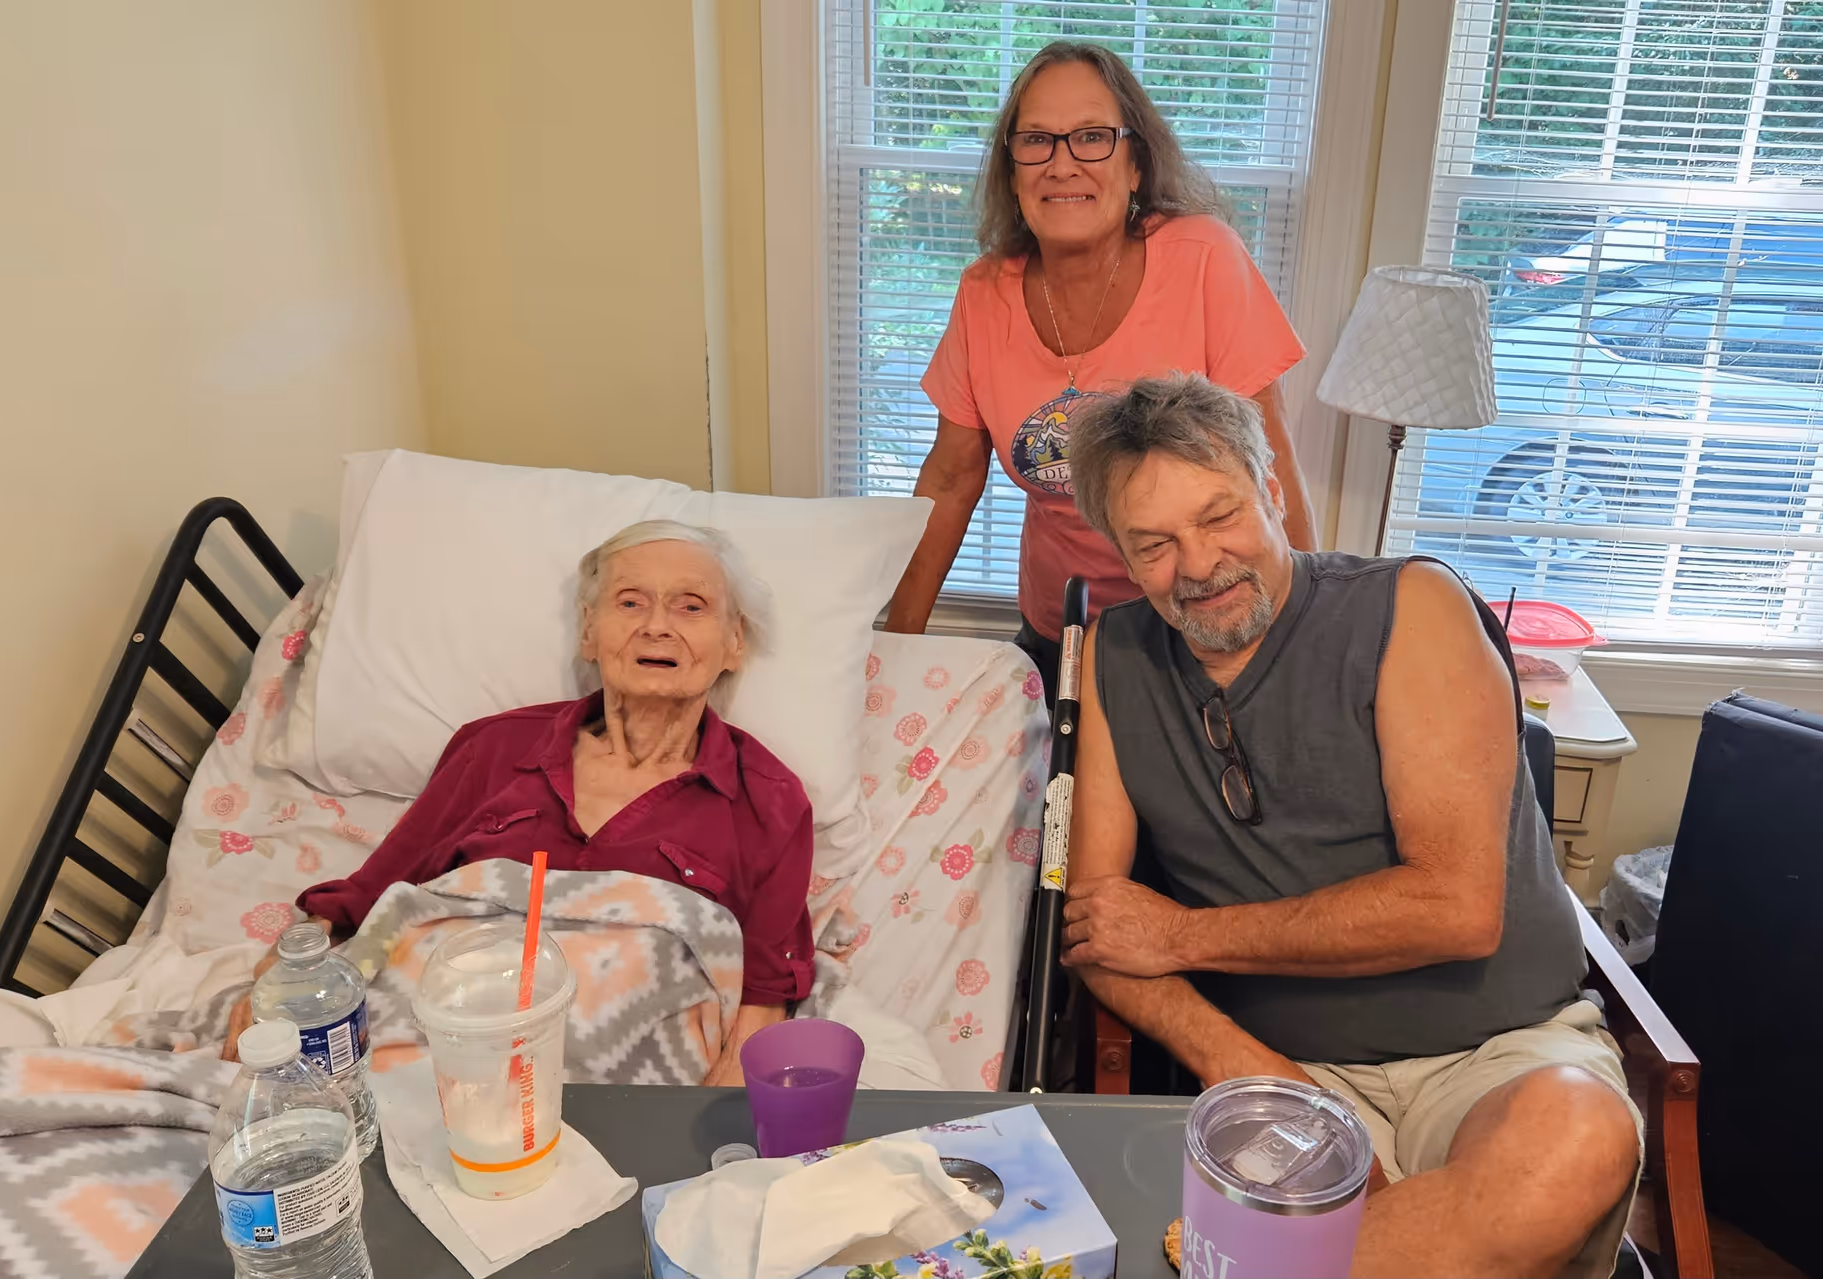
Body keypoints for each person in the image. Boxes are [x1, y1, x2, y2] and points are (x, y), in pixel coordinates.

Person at [1060, 374, 1642, 1278]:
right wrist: (1245, 1061)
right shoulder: (1115, 655)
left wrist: (1179, 932)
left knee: (1580, 1140)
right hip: (1282, 1070)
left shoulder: (1411, 608)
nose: (1200, 563)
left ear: (1275, 493)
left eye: (1220, 515)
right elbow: (1102, 932)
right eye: (1155, 544)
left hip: (1501, 1051)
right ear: (1123, 557)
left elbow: (1455, 909)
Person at [225, 521, 813, 1086]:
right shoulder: (494, 748)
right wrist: (282, 984)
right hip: (434, 1037)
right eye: (630, 602)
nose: (657, 626)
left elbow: (763, 995)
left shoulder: (768, 800)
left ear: (734, 641)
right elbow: (375, 894)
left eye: (691, 606)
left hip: (625, 1077)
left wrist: (703, 1128)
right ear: (589, 630)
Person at [884, 40, 1317, 696]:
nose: (1062, 164)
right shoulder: (984, 293)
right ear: (1012, 169)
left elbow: (1271, 466)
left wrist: (1300, 646)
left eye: (1091, 136)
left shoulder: (1205, 260)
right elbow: (949, 479)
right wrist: (890, 652)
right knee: (1060, 799)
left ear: (1136, 162)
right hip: (1060, 631)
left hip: (1198, 623)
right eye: (1036, 140)